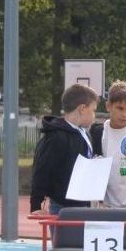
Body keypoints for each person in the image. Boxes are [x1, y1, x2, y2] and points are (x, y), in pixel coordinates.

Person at [29, 83, 98, 214]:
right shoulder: (56, 137)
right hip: (62, 206)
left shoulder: (86, 134)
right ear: (82, 108)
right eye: (93, 110)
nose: (94, 115)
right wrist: (36, 205)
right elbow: (42, 169)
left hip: (85, 204)